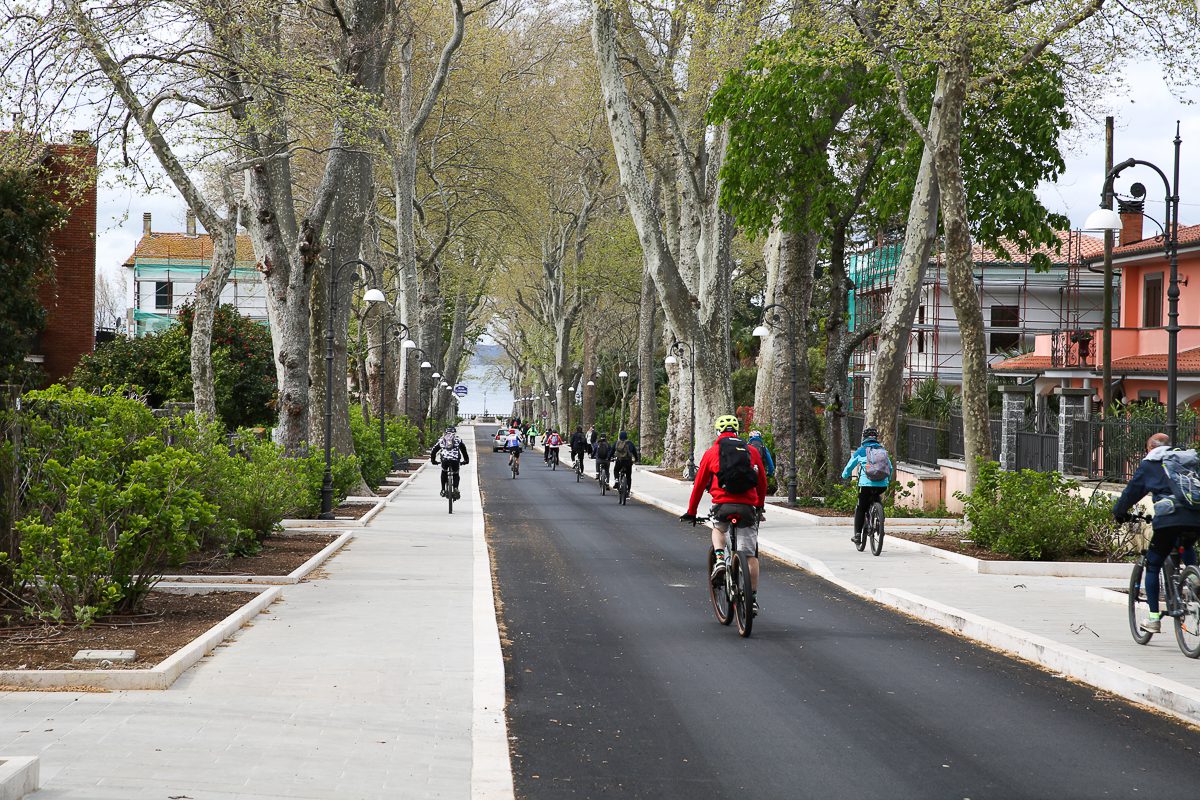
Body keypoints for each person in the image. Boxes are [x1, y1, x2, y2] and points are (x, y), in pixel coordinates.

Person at [679, 415, 768, 614]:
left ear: (717, 432)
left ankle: (720, 558)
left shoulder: (712, 452)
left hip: (723, 505)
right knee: (750, 555)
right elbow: (762, 481)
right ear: (737, 432)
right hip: (747, 507)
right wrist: (759, 506)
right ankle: (752, 598)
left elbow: (699, 484)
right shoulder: (751, 451)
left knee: (718, 528)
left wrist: (691, 511)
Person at [1113, 433, 1200, 632]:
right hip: (1196, 516)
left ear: (1150, 448)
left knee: (1153, 564)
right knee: (1185, 543)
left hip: (1169, 518)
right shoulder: (1186, 460)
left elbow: (1131, 493)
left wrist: (1119, 513)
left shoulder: (1149, 464)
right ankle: (1194, 575)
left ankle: (1153, 619)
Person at [841, 426, 893, 547]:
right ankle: (880, 521)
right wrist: (887, 480)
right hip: (882, 484)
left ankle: (858, 535)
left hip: (865, 485)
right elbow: (889, 468)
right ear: (876, 438)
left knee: (861, 507)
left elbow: (849, 467)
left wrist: (844, 476)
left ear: (864, 437)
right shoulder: (883, 451)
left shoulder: (860, 451)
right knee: (876, 497)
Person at [430, 426, 469, 498]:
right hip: (455, 460)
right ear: (454, 432)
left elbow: (433, 451)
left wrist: (433, 461)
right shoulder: (458, 440)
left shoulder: (441, 440)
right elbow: (464, 450)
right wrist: (466, 460)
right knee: (456, 473)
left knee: (444, 472)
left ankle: (443, 490)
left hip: (445, 460)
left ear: (446, 432)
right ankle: (455, 488)